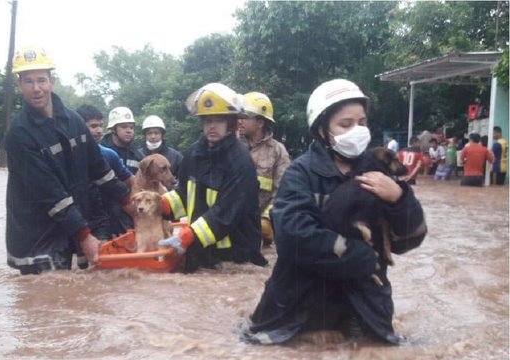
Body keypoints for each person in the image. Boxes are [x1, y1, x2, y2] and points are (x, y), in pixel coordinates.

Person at [238, 79, 427, 345]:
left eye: (362, 123)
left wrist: (399, 199)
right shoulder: (300, 174)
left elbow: (410, 239)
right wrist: (355, 254)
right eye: (345, 124)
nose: (357, 131)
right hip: (297, 314)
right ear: (322, 130)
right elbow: (292, 238)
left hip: (365, 312)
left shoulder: (381, 173)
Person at [4, 47, 129, 275]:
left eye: (41, 80)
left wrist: (128, 200)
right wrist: (85, 235)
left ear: (53, 81)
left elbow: (99, 170)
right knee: (46, 299)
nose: (36, 89)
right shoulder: (19, 134)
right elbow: (51, 194)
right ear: (19, 85)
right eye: (29, 82)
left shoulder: (73, 120)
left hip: (70, 224)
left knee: (80, 300)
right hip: (37, 234)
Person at [158, 82, 268, 272]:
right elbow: (184, 194)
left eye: (218, 120)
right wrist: (160, 205)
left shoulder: (241, 161)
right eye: (207, 120)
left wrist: (187, 236)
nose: (212, 126)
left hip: (235, 258)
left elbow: (225, 213)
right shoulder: (193, 154)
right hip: (202, 252)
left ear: (231, 123)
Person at [239, 91, 291, 247]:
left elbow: (283, 191)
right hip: (231, 225)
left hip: (263, 232)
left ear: (260, 122)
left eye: (245, 117)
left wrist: (267, 219)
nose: (239, 121)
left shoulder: (278, 151)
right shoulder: (232, 146)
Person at [76, 104, 135, 240]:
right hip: (77, 223)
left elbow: (132, 182)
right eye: (93, 126)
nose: (99, 131)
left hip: (109, 223)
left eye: (100, 126)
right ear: (78, 126)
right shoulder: (66, 157)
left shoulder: (109, 155)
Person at [138, 115, 183, 185]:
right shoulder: (137, 155)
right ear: (145, 135)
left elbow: (183, 180)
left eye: (156, 133)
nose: (153, 136)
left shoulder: (175, 156)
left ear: (162, 134)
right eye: (149, 133)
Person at [100, 107, 144, 175]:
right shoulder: (101, 151)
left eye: (131, 127)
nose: (129, 131)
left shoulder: (138, 155)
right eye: (124, 127)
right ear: (113, 129)